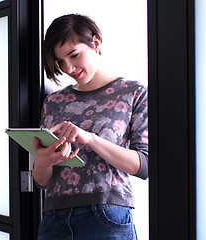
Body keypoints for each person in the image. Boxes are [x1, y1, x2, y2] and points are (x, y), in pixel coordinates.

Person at [32, 14, 148, 240]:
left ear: (95, 43)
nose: (68, 67)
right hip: (54, 218)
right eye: (60, 62)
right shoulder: (54, 102)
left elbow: (144, 165)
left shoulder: (132, 92)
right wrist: (44, 160)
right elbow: (42, 181)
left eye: (74, 55)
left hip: (106, 216)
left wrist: (90, 139)